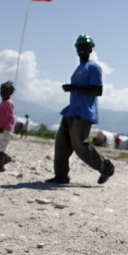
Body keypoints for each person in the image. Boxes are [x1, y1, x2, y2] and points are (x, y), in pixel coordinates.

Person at [45, 35, 115, 185]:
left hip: (83, 114)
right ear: (76, 49)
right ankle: (61, 176)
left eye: (85, 46)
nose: (82, 48)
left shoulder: (94, 67)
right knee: (61, 146)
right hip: (71, 111)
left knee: (81, 148)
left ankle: (106, 168)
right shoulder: (78, 69)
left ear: (91, 49)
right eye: (79, 46)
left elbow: (98, 91)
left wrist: (73, 88)